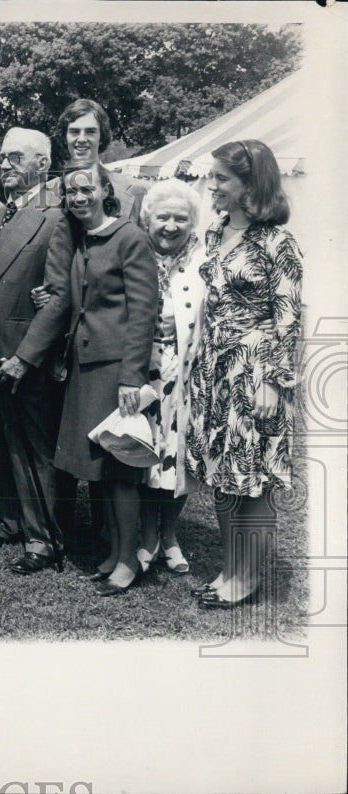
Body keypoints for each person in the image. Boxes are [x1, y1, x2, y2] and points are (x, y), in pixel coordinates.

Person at [186, 140, 302, 609]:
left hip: (255, 372)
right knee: (222, 474)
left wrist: (273, 381)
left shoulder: (278, 242)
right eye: (211, 176)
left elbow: (288, 318)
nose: (210, 185)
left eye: (221, 179)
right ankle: (230, 568)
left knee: (251, 478)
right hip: (214, 369)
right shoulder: (215, 233)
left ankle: (247, 578)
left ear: (250, 185)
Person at [0, 128, 75, 573]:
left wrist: (27, 355)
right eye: (2, 158)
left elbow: (58, 297)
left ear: (42, 165)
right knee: (1, 443)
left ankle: (44, 538)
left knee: (35, 448)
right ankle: (11, 519)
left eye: (15, 158)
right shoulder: (10, 211)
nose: (4, 165)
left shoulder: (55, 215)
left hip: (23, 353)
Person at [51, 163, 158, 596]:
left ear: (105, 190)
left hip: (116, 372)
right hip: (84, 366)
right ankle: (115, 552)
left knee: (120, 469)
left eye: (86, 189)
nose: (79, 197)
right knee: (100, 466)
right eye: (70, 192)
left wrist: (131, 377)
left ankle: (129, 561)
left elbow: (143, 312)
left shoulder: (129, 237)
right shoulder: (80, 238)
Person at [135, 180, 206, 575]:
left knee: (177, 457)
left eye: (181, 218)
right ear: (149, 219)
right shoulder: (136, 254)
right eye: (163, 217)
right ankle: (147, 536)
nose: (171, 225)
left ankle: (171, 535)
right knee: (146, 454)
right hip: (144, 370)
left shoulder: (203, 259)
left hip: (185, 375)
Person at [57, 98, 145, 224]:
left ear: (102, 137)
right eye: (75, 132)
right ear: (65, 137)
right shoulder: (47, 193)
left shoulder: (136, 191)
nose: (81, 139)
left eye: (90, 132)